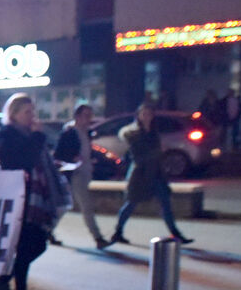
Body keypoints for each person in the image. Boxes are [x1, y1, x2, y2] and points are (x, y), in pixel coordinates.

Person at [0, 94, 63, 290]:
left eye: (33, 111)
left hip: (33, 200)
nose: (32, 116)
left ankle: (4, 281)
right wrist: (38, 136)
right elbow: (23, 159)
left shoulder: (28, 134)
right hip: (20, 200)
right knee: (28, 246)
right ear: (14, 114)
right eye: (27, 112)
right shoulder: (7, 135)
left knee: (36, 244)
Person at [107, 102, 193, 246]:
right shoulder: (134, 134)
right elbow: (138, 155)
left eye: (149, 114)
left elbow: (157, 151)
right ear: (139, 116)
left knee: (165, 203)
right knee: (131, 203)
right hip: (141, 173)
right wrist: (155, 154)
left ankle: (175, 233)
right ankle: (118, 231)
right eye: (144, 114)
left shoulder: (153, 131)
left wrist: (159, 159)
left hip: (156, 173)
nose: (147, 117)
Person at [54, 104, 107, 249]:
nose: (89, 119)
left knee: (65, 205)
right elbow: (59, 154)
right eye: (86, 115)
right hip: (75, 173)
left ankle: (47, 231)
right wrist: (73, 158)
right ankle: (97, 237)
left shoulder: (87, 132)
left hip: (85, 171)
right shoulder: (69, 133)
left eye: (90, 115)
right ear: (77, 117)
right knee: (86, 205)